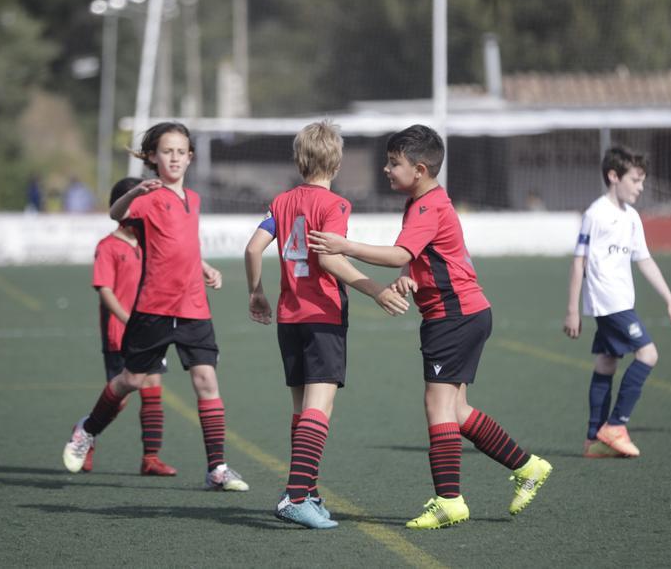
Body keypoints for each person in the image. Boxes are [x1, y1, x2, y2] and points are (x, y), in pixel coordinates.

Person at [307, 124, 552, 530]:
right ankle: (527, 466)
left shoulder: (427, 206)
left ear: (419, 169)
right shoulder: (424, 201)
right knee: (456, 410)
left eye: (393, 163)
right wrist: (411, 276)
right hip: (463, 314)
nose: (386, 169)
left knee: (437, 408)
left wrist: (345, 245)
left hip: (454, 318)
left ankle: (449, 500)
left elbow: (401, 251)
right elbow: (421, 256)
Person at [63, 122, 249, 492]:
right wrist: (132, 196)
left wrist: (205, 267)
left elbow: (182, 245)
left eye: (181, 151)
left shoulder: (193, 200)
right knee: (131, 379)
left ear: (190, 157)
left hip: (194, 307)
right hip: (156, 308)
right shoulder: (146, 198)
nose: (175, 157)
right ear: (152, 157)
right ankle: (88, 430)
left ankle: (217, 468)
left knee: (206, 380)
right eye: (167, 151)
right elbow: (116, 216)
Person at [244, 121, 410, 530]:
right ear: (336, 163)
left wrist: (256, 292)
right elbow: (330, 260)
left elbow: (252, 248)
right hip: (322, 316)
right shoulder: (335, 205)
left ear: (299, 160)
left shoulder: (281, 202)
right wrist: (376, 291)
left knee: (301, 411)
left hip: (289, 316)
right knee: (320, 408)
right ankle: (295, 497)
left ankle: (309, 490)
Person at [562, 146, 671, 459]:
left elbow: (644, 260)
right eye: (636, 180)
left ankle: (594, 440)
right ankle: (616, 425)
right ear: (614, 177)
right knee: (648, 354)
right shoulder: (595, 214)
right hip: (609, 303)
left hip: (620, 301)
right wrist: (573, 309)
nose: (641, 187)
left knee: (606, 362)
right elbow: (579, 262)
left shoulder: (631, 217)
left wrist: (670, 300)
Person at [82, 177, 176, 476]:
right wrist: (127, 320)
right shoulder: (108, 247)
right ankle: (85, 433)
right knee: (119, 398)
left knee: (153, 388)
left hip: (150, 332)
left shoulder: (150, 244)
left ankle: (150, 458)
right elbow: (105, 290)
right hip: (119, 334)